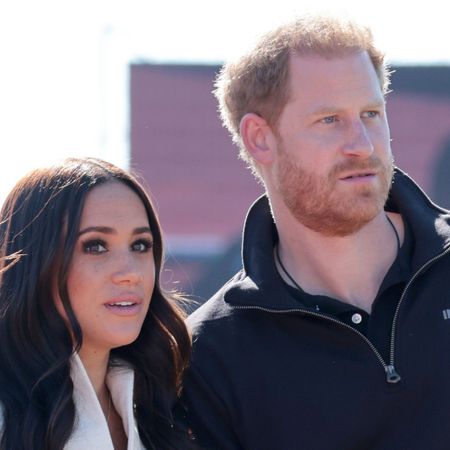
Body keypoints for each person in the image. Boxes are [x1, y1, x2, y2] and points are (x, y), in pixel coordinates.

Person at [180, 14, 450, 450]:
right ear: (260, 139)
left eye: (371, 113)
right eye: (330, 120)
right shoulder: (210, 357)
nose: (362, 144)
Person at [0, 157, 194, 450]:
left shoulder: (166, 407)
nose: (130, 273)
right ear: (36, 262)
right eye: (96, 246)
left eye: (140, 245)